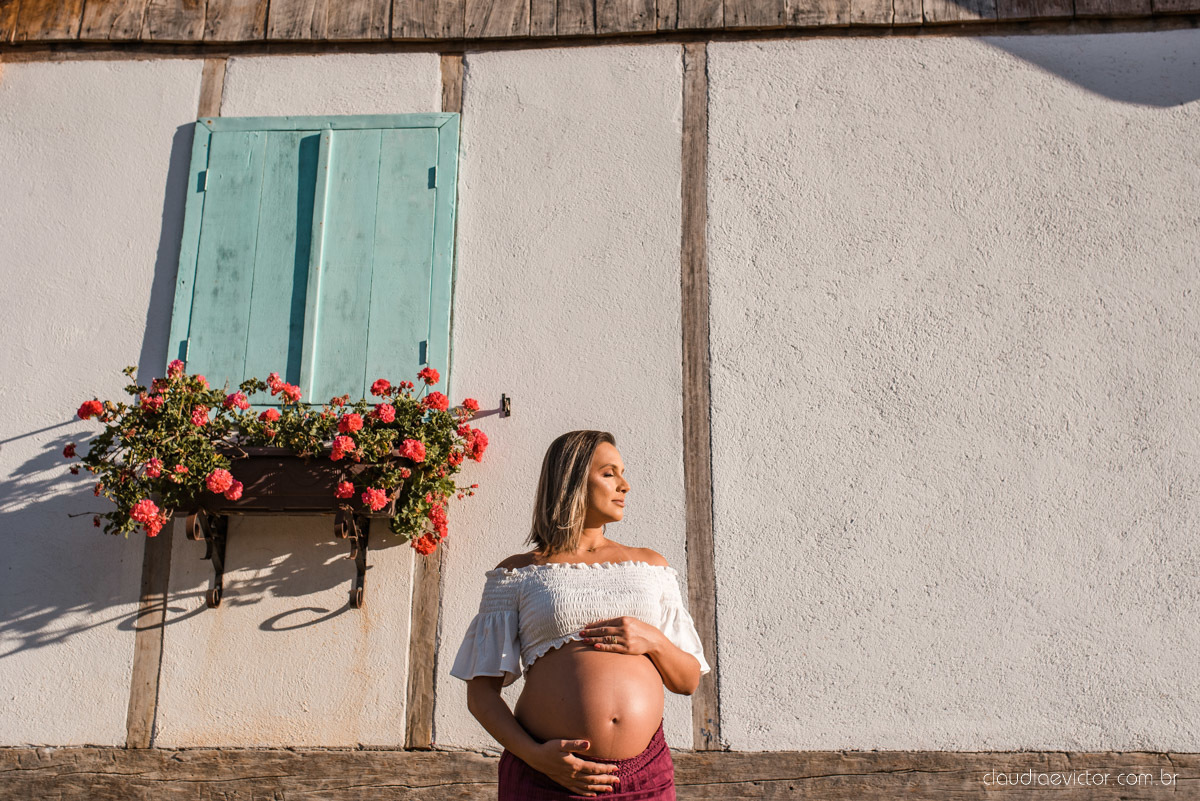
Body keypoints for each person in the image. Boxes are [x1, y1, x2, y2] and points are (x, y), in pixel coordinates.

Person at [450, 430, 711, 799]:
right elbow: (481, 694)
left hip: (645, 777)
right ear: (571, 480)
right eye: (609, 473)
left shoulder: (651, 566)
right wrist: (537, 758)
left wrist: (652, 639)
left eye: (623, 473)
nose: (625, 485)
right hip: (549, 776)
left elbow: (687, 681)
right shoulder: (518, 574)